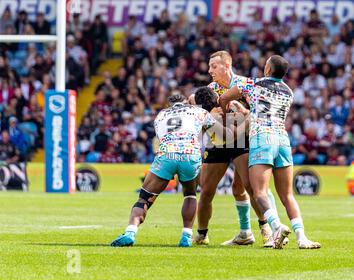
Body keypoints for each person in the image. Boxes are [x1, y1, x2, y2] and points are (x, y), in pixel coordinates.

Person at [219, 55, 321, 249]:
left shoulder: (253, 84)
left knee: (259, 192)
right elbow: (267, 110)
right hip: (282, 139)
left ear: (267, 70)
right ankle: (302, 238)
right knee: (287, 195)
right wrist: (246, 110)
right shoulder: (289, 92)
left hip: (262, 138)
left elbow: (224, 97)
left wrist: (226, 115)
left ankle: (276, 226)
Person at [110, 93, 236, 247]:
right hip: (190, 155)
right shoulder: (199, 112)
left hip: (167, 155)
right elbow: (225, 137)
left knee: (144, 198)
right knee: (190, 194)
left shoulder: (160, 116)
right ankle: (186, 236)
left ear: (169, 105)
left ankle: (130, 232)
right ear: (186, 102)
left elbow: (164, 136)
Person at [190, 51, 282, 247]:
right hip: (218, 141)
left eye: (213, 66)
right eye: (209, 66)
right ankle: (203, 234)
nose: (209, 70)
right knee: (206, 191)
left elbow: (257, 112)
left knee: (248, 187)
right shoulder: (210, 90)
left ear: (227, 66)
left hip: (242, 140)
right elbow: (196, 106)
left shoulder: (246, 85)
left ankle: (265, 229)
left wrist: (243, 115)